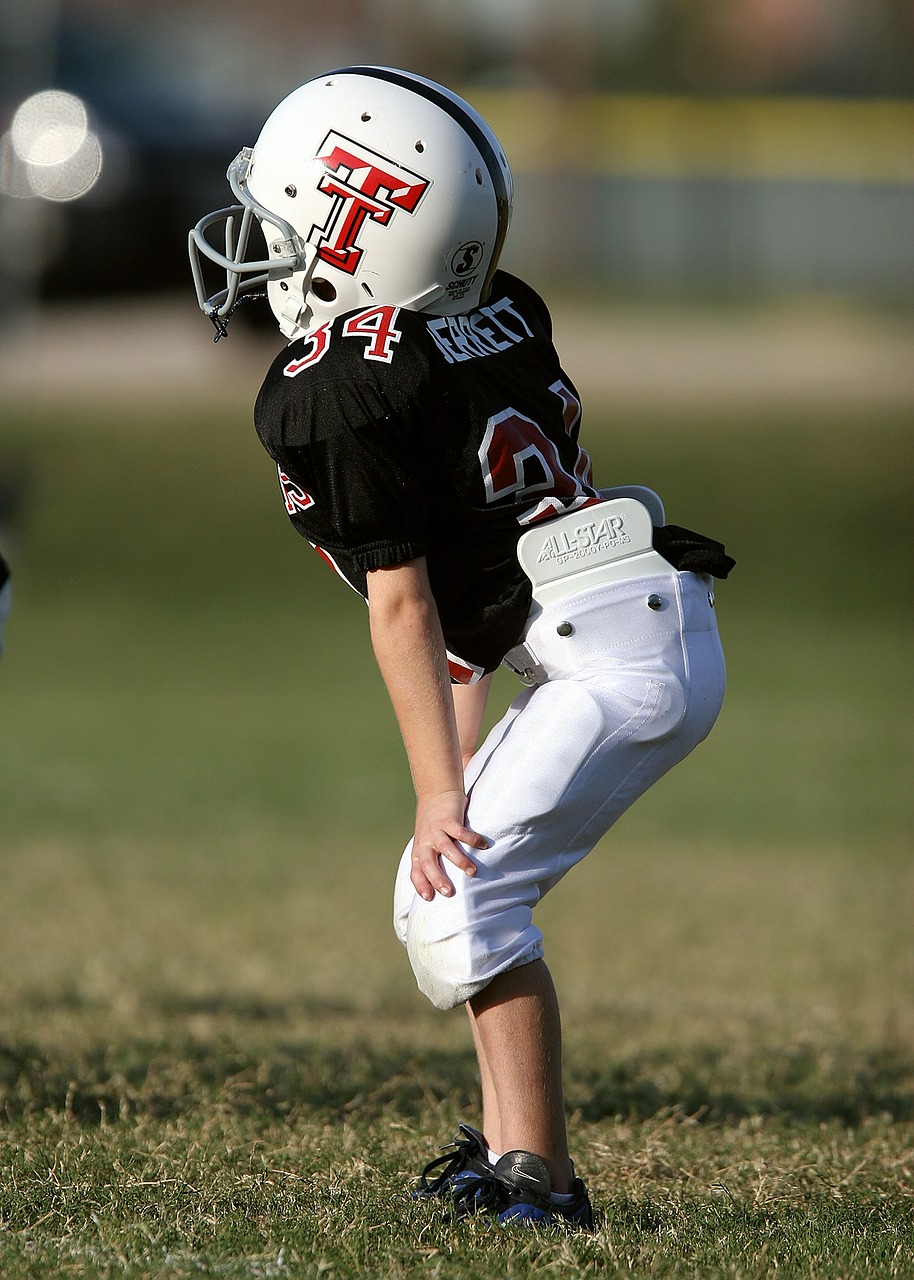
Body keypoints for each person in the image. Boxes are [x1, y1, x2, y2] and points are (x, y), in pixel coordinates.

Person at [189, 65, 733, 1230]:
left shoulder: (338, 385)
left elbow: (406, 607)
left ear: (357, 227)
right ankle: (504, 1154)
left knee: (464, 901)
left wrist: (440, 790)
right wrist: (448, 789)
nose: (263, 242)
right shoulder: (497, 312)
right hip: (620, 620)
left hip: (616, 649)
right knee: (438, 888)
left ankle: (540, 1184)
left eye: (288, 216)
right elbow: (470, 613)